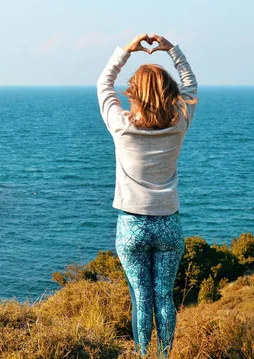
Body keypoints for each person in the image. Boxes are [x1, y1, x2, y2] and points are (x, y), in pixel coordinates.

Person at [96, 33, 198, 357]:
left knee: (141, 296)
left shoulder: (122, 126)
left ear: (133, 94)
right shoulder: (179, 123)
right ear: (170, 93)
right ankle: (164, 355)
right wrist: (172, 50)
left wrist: (126, 50)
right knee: (164, 296)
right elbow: (191, 85)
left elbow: (103, 85)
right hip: (168, 224)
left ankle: (143, 356)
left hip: (132, 226)